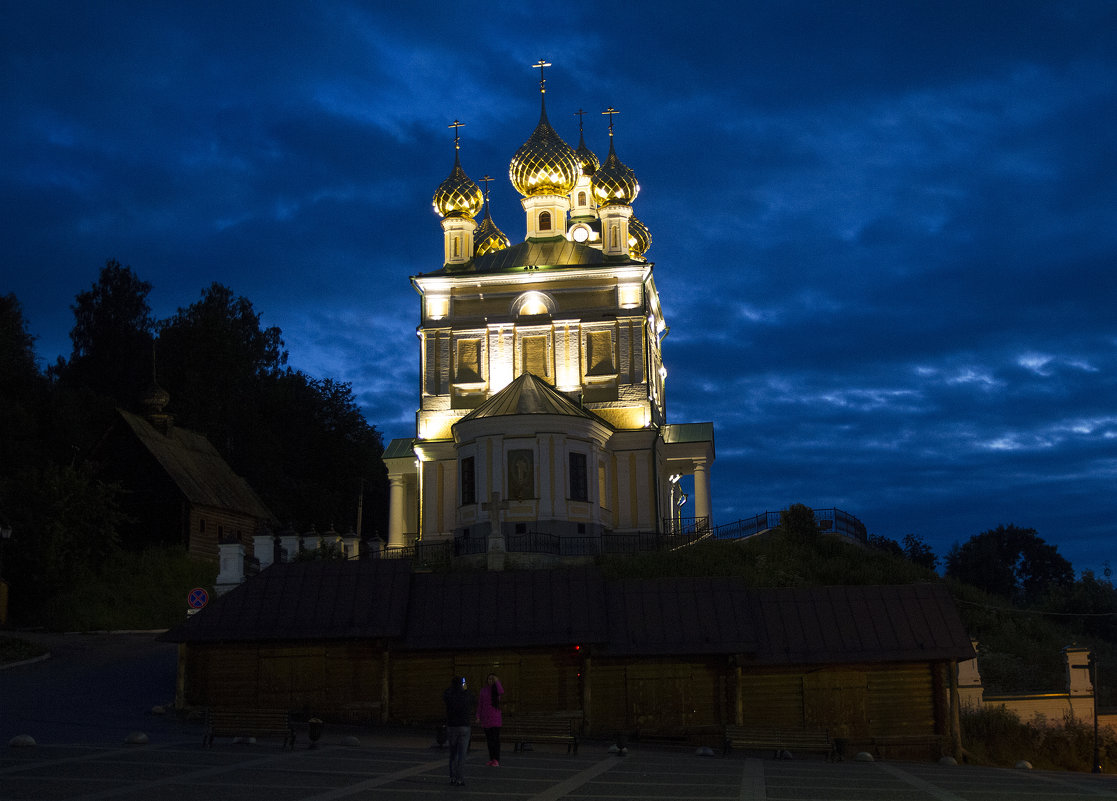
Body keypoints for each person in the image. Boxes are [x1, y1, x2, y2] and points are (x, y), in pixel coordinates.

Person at [443, 675, 475, 786]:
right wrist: (465, 689)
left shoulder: (448, 694)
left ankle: (452, 777)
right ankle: (460, 778)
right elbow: (472, 699)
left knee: (453, 754)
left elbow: (445, 697)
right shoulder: (466, 695)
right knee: (462, 754)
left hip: (452, 726)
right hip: (464, 726)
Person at [476, 672, 505, 766]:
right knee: (489, 741)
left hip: (495, 719)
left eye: (492, 679)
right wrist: (478, 716)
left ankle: (496, 759)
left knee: (495, 740)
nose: (490, 680)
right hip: (486, 719)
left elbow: (501, 691)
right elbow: (480, 704)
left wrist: (497, 681)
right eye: (489, 679)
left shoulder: (496, 690)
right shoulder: (483, 690)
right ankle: (491, 758)